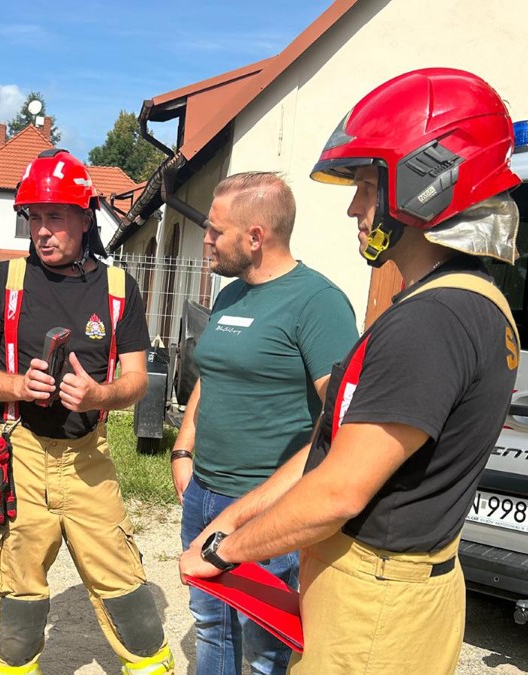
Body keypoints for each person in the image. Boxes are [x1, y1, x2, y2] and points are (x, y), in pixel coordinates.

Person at [178, 68, 522, 675]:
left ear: (423, 182)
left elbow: (340, 490)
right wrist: (235, 513)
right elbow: (331, 448)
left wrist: (228, 551)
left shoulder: (433, 321)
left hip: (375, 610)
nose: (353, 208)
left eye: (366, 184)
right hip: (384, 595)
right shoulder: (464, 302)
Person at [0, 149, 175, 675]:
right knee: (20, 598)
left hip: (89, 460)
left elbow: (134, 381)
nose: (42, 231)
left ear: (85, 218)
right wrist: (17, 384)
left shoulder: (119, 289)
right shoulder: (6, 283)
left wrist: (99, 395)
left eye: (55, 216)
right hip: (23, 455)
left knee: (127, 590)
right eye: (33, 217)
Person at [172, 172, 357, 674]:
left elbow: (338, 419)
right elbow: (210, 376)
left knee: (266, 642)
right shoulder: (230, 295)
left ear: (256, 237)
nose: (206, 239)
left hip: (265, 506)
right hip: (204, 491)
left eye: (216, 230)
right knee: (210, 622)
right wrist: (184, 449)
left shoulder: (318, 304)